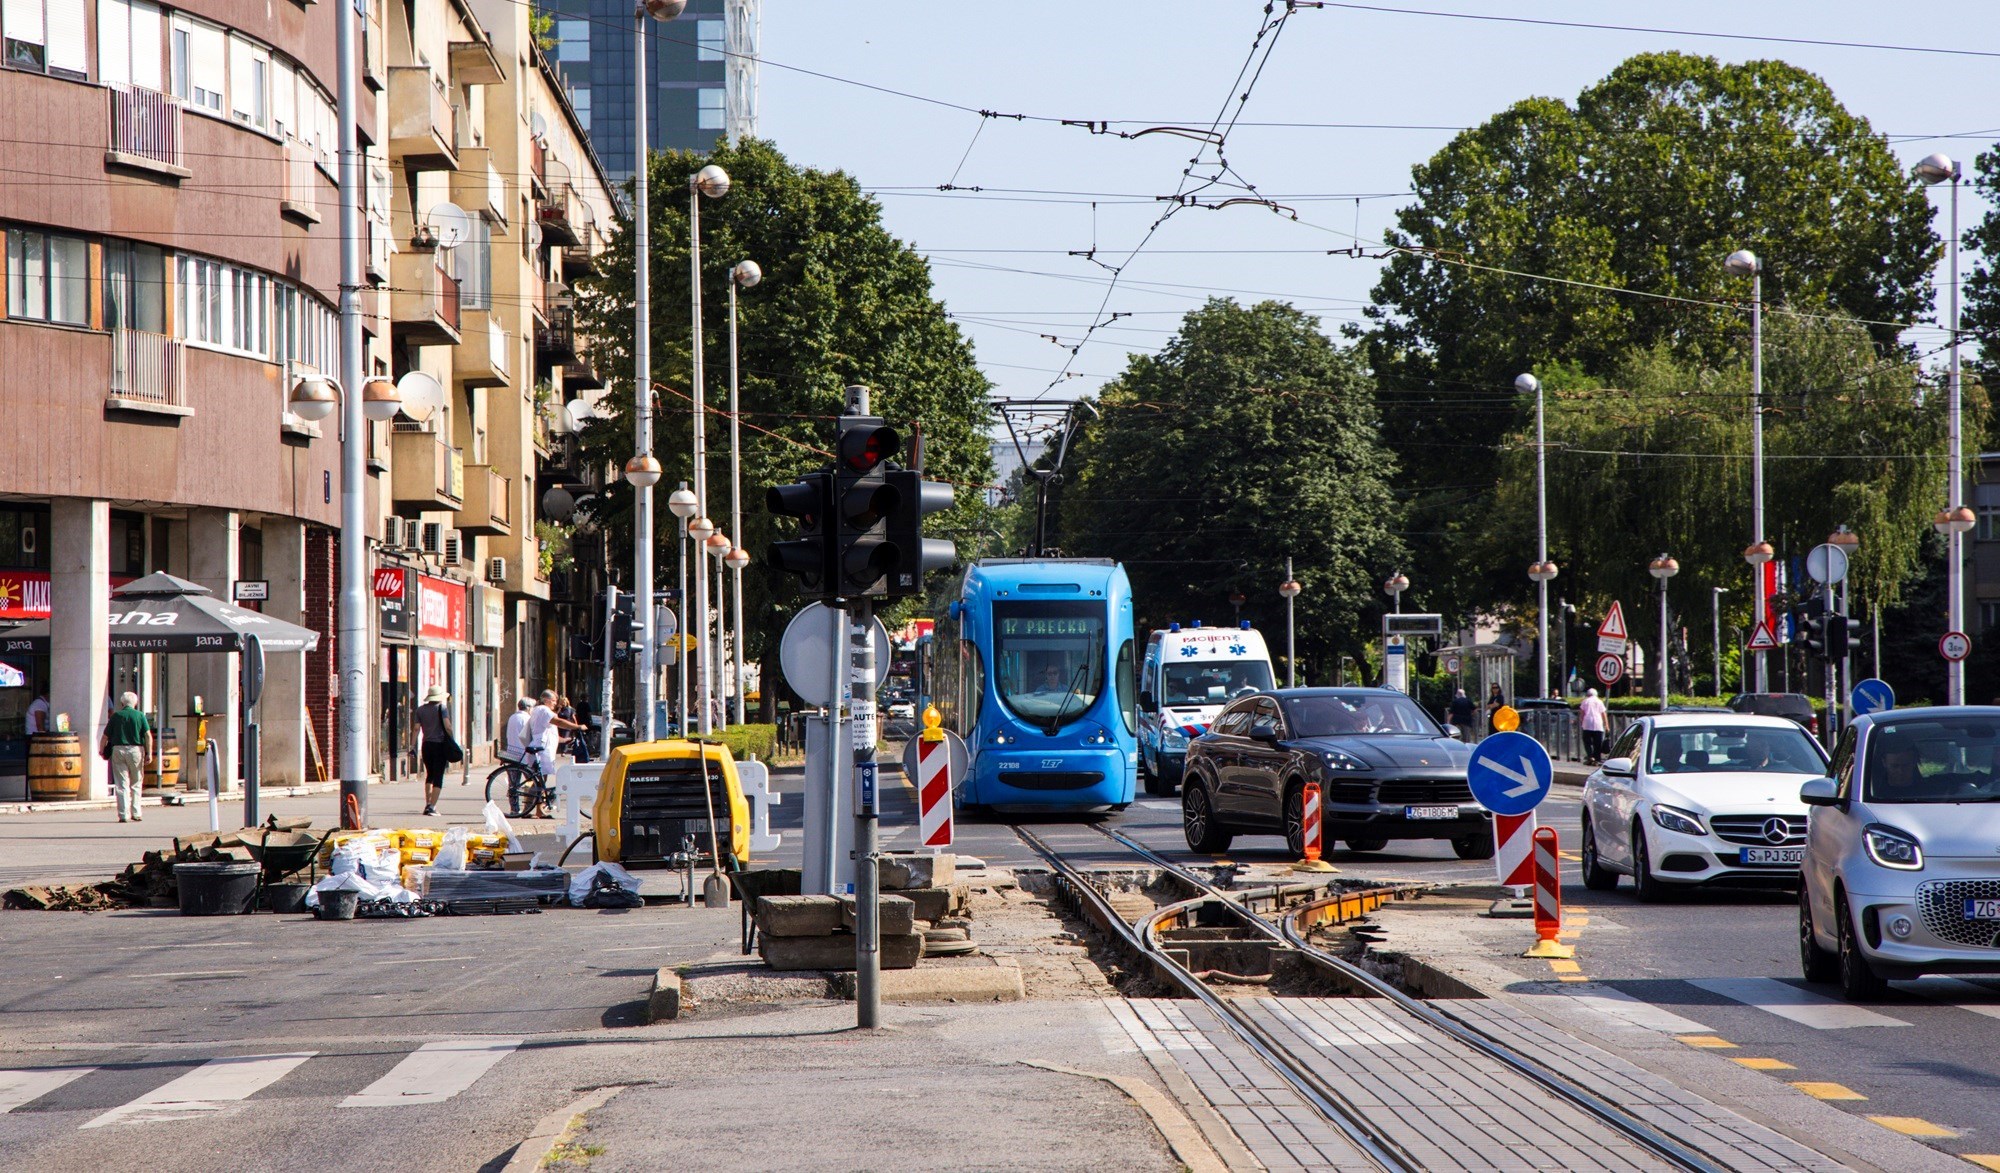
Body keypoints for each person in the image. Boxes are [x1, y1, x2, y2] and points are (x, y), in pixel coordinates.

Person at [99, 691, 153, 823]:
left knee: (121, 783)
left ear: (122, 703)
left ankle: (123, 814)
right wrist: (149, 752)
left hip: (118, 749)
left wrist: (101, 750)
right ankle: (136, 812)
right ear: (135, 703)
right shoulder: (140, 715)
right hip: (136, 750)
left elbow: (105, 736)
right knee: (136, 782)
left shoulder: (116, 716)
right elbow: (147, 735)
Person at [413, 686, 454, 816]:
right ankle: (432, 806)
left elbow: (416, 728)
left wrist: (412, 745)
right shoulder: (442, 709)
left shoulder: (420, 710)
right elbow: (447, 726)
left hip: (426, 746)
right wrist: (451, 739)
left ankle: (427, 804)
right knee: (438, 777)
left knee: (429, 775)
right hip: (440, 745)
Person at [500, 697, 534, 768]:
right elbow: (529, 736)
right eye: (533, 707)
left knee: (514, 778)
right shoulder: (527, 718)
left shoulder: (513, 717)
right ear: (528, 708)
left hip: (512, 752)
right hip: (523, 754)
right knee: (531, 777)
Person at [1579, 688, 1609, 764]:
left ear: (1588, 694)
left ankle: (1590, 756)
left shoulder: (1585, 701)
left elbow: (1582, 714)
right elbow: (1603, 714)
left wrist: (1582, 722)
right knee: (1598, 743)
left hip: (1587, 724)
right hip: (1598, 725)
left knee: (1587, 742)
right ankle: (1597, 758)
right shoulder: (1599, 702)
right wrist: (1606, 725)